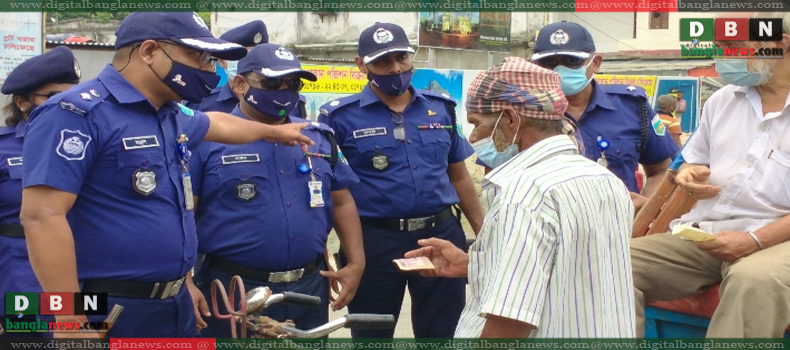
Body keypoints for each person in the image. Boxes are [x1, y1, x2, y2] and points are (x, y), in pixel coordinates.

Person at [19, 12, 313, 339]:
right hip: (107, 305)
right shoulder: (75, 112)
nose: (208, 68)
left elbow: (220, 124)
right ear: (148, 52)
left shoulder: (170, 113)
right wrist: (71, 318)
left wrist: (274, 133)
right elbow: (42, 215)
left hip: (175, 306)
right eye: (198, 56)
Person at [404, 57, 635, 338]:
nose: (474, 137)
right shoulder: (606, 181)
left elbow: (510, 322)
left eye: (477, 124)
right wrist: (471, 264)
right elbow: (567, 271)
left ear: (511, 120)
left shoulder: (525, 195)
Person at [318, 22, 484, 338]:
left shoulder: (441, 108)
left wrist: (484, 232)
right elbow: (333, 193)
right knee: (371, 332)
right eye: (383, 61)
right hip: (374, 241)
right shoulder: (338, 116)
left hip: (440, 235)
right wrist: (330, 254)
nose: (395, 68)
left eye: (401, 58)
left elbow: (459, 175)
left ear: (411, 57)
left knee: (443, 333)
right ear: (360, 64)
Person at [631, 12, 790, 338]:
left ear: (779, 44)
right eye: (718, 46)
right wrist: (687, 174)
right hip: (707, 236)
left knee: (753, 281)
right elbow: (688, 163)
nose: (722, 56)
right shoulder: (722, 100)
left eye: (732, 45)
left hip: (777, 241)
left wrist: (754, 240)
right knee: (610, 264)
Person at [189, 43, 365, 337]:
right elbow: (184, 214)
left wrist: (356, 262)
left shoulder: (319, 137)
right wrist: (186, 280)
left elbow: (343, 202)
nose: (284, 91)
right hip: (235, 288)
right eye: (272, 83)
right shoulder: (207, 139)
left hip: (309, 284)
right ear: (240, 84)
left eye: (292, 84)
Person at [478, 21, 678, 209]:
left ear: (596, 63)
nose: (559, 70)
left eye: (572, 61)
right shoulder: (515, 114)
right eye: (548, 63)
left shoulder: (632, 106)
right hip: (544, 230)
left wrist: (644, 211)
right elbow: (494, 179)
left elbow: (661, 170)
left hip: (618, 229)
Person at [0, 46, 81, 338]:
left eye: (71, 95)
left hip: (80, 275)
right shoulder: (4, 148)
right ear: (21, 101)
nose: (65, 104)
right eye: (53, 97)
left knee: (78, 340)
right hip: (20, 279)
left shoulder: (86, 142)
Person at [187, 20, 268, 114]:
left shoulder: (282, 102)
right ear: (221, 61)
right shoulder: (199, 105)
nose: (249, 63)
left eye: (256, 57)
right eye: (241, 56)